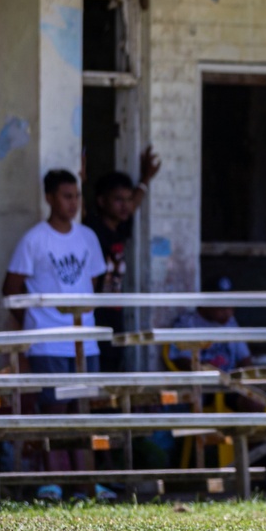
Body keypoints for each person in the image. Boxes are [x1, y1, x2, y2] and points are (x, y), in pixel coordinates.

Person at [2, 168, 109, 500]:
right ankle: (54, 480)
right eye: (66, 196)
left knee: (84, 411)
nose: (73, 202)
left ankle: (86, 483)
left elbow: (94, 282)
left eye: (76, 195)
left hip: (85, 340)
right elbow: (11, 290)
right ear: (49, 198)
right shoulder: (34, 240)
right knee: (53, 411)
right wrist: (38, 321)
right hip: (48, 341)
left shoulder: (88, 237)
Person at [84, 146, 161, 371]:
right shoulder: (92, 229)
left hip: (115, 313)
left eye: (127, 200)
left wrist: (146, 177)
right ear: (101, 201)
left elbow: (135, 202)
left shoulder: (121, 225)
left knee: (115, 367)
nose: (125, 205)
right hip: (95, 312)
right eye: (118, 200)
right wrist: (81, 175)